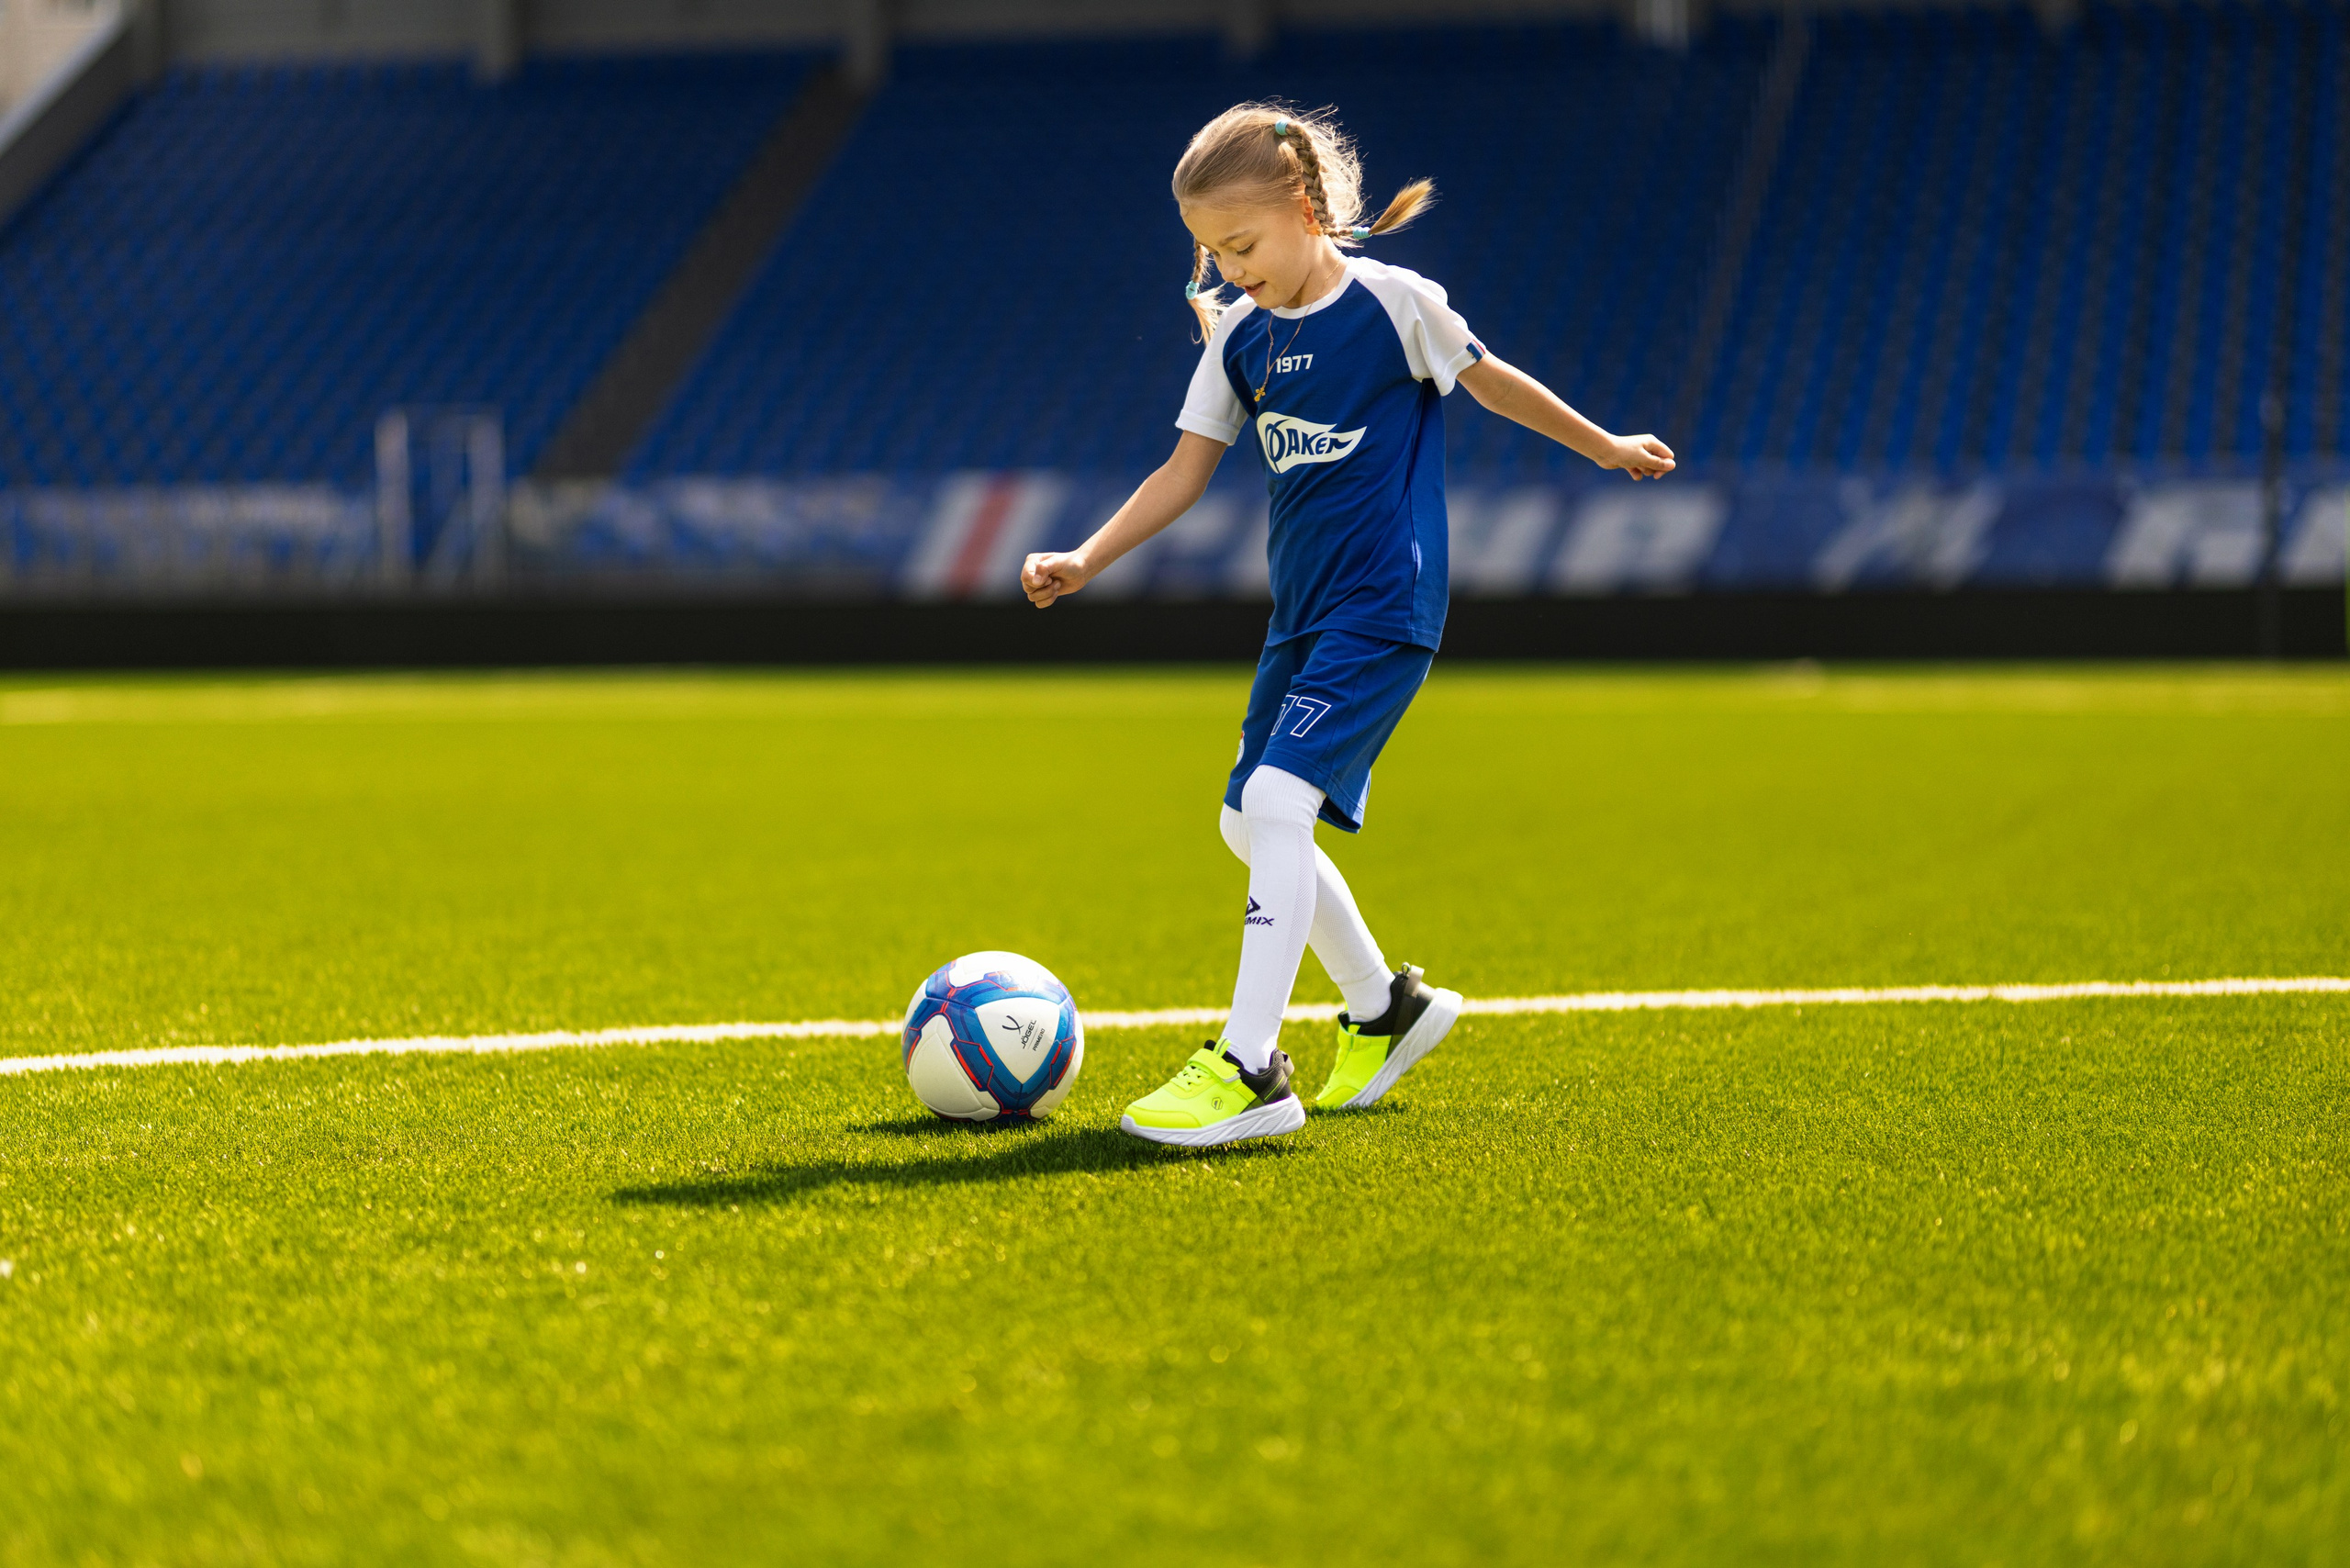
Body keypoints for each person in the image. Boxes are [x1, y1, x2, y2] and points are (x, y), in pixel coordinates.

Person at [1020, 103, 1674, 1148]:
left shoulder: (1394, 303)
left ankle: (1249, 1069)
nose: (1232, 272)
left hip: (1383, 605)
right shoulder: (1238, 338)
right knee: (1246, 822)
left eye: (1244, 245)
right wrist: (1085, 557)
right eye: (1213, 254)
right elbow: (1181, 472)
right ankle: (1384, 1009)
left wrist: (1604, 446)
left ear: (1307, 206)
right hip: (1302, 618)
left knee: (1277, 801)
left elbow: (1494, 384)